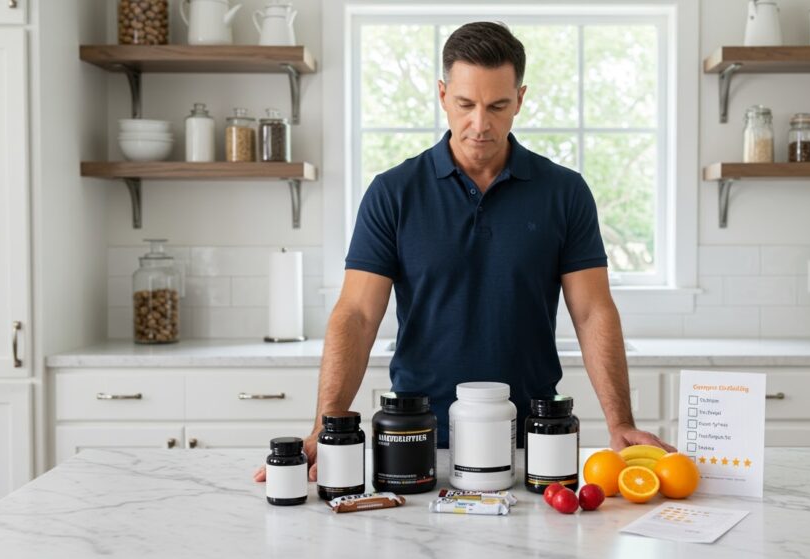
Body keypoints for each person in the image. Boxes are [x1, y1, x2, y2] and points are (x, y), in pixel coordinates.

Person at [255, 21, 674, 484]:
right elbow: (356, 314)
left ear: (520, 99)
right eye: (465, 104)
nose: (480, 123)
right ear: (441, 95)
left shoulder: (565, 193)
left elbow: (594, 311)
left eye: (497, 105)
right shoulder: (392, 193)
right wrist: (327, 425)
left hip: (532, 438)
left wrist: (620, 423)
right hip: (417, 437)